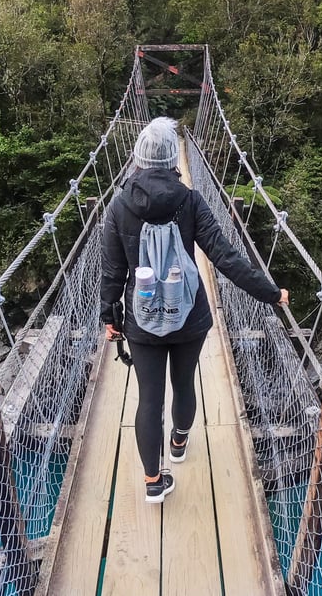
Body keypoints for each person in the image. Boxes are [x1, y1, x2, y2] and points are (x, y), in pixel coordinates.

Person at [100, 117, 289, 503]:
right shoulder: (190, 200)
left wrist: (110, 318)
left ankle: (154, 481)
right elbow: (224, 256)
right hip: (189, 315)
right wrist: (271, 293)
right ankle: (179, 443)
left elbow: (112, 269)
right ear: (174, 160)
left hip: (142, 318)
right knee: (184, 383)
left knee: (149, 397)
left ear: (136, 157)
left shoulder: (119, 206)